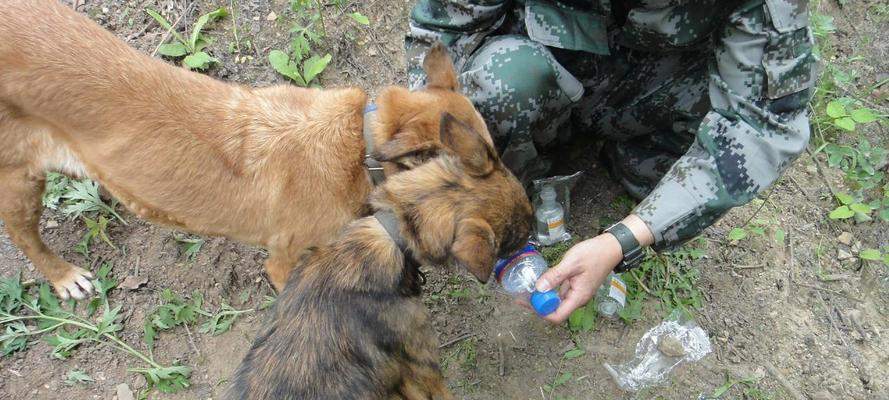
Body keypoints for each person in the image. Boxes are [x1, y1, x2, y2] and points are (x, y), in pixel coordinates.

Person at [404, 0, 814, 323]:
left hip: (654, 91)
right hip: (549, 65)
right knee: (499, 84)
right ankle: (539, 143)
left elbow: (760, 126)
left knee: (665, 174)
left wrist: (624, 239)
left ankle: (616, 157)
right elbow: (445, 27)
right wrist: (431, 148)